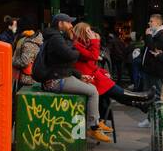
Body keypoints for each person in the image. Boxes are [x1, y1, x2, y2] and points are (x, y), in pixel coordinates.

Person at [39, 13, 111, 143]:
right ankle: (93, 127)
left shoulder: (56, 37)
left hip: (58, 77)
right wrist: (82, 51)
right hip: (56, 81)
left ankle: (95, 123)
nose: (71, 25)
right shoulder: (56, 38)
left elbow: (63, 64)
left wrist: (80, 75)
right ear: (60, 23)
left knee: (92, 88)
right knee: (93, 91)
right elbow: (70, 55)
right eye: (68, 22)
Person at [70, 21, 150, 122]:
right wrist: (94, 41)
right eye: (88, 31)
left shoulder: (82, 45)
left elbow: (91, 64)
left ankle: (141, 103)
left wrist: (102, 72)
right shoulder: (77, 46)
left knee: (115, 93)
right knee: (116, 92)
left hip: (94, 77)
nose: (90, 34)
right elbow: (94, 56)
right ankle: (141, 99)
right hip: (90, 79)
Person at [12, 19, 42, 90]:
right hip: (30, 79)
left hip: (27, 80)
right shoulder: (33, 38)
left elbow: (24, 62)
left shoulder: (28, 42)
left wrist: (11, 60)